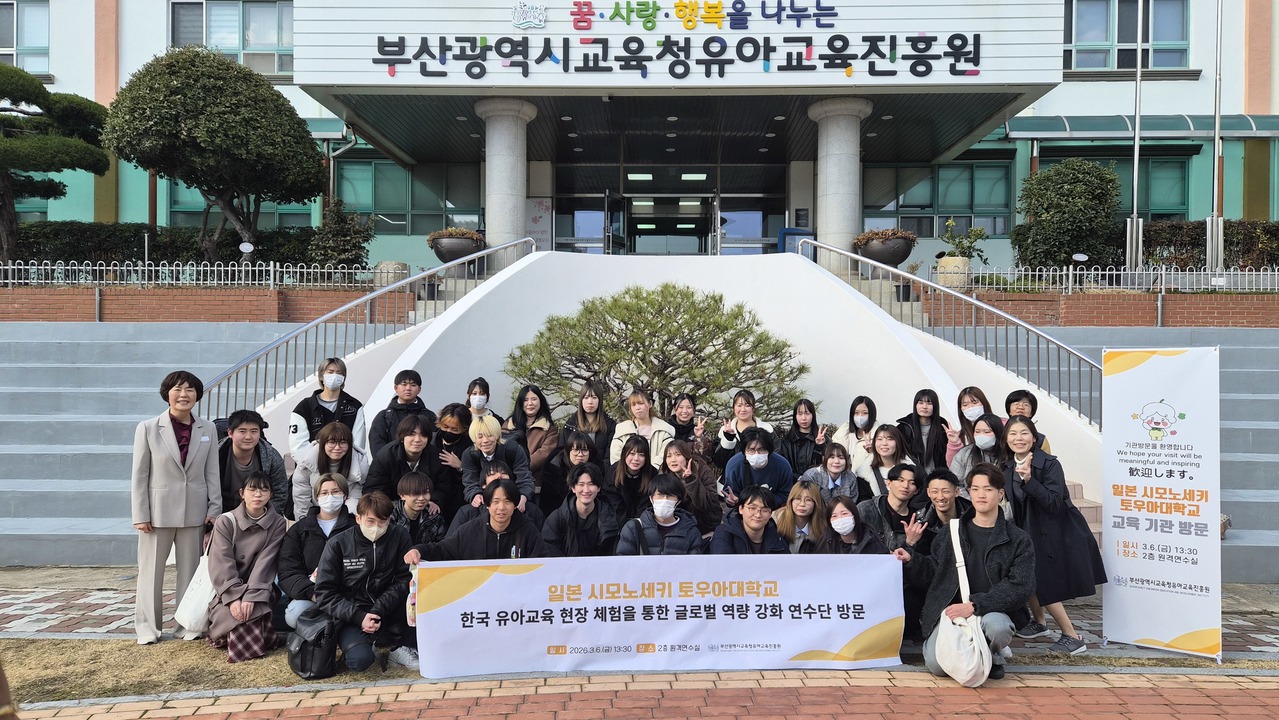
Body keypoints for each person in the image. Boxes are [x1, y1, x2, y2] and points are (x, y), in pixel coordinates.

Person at [893, 463, 1036, 682]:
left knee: (998, 627)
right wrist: (911, 560)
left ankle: (992, 654)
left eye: (988, 489)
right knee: (937, 666)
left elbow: (1020, 586)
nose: (981, 495)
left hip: (991, 611)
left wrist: (975, 605)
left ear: (1000, 494)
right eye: (975, 489)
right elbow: (934, 572)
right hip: (952, 611)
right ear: (969, 492)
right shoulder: (951, 531)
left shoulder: (1018, 539)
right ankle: (977, 654)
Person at [131, 370, 221, 645]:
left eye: (190, 390)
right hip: (156, 513)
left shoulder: (208, 428)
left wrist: (214, 508)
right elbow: (139, 475)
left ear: (197, 395)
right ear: (167, 394)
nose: (184, 395)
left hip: (195, 512)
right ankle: (148, 628)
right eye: (178, 389)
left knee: (191, 573)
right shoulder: (148, 428)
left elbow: (212, 471)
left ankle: (186, 624)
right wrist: (140, 514)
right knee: (150, 574)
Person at [1003, 416, 1105, 655]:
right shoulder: (1007, 466)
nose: (1019, 438)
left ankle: (1072, 636)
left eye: (1024, 433)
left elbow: (1054, 503)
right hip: (1028, 531)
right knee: (1029, 576)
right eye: (1013, 434)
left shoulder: (1049, 464)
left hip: (1057, 532)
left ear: (1034, 437)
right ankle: (1039, 622)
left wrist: (1029, 480)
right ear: (1006, 439)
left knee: (1043, 580)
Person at [314, 492, 417, 670]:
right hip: (352, 612)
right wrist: (359, 617)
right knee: (359, 661)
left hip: (389, 606)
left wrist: (379, 608)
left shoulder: (399, 536)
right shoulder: (338, 544)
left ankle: (399, 648)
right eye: (370, 521)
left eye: (382, 522)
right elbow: (325, 593)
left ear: (389, 519)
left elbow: (405, 579)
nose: (376, 527)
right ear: (358, 519)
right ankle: (368, 644)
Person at [205, 472, 286, 663]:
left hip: (260, 585)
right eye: (252, 489)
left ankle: (240, 644)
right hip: (227, 587)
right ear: (242, 493)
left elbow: (266, 562)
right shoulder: (226, 521)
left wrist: (251, 596)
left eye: (264, 490)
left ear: (271, 494)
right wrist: (234, 597)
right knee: (231, 612)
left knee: (253, 608)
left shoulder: (278, 523)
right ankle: (250, 641)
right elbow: (221, 562)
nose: (258, 494)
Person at [858, 462, 928, 641]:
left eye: (912, 483)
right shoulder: (866, 509)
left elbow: (919, 567)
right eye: (900, 480)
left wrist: (910, 544)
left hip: (902, 584)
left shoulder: (918, 521)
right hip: (867, 579)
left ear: (916, 491)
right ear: (888, 483)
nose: (905, 486)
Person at [405, 477, 550, 561]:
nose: (501, 507)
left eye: (507, 502)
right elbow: (443, 550)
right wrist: (418, 550)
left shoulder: (527, 529)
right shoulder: (471, 530)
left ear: (515, 504)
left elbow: (542, 562)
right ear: (487, 505)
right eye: (495, 502)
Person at [277, 473, 355, 629]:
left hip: (347, 595)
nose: (330, 497)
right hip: (312, 595)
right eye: (324, 493)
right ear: (317, 497)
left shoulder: (355, 527)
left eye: (335, 492)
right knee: (294, 614)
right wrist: (313, 593)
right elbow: (288, 571)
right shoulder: (299, 530)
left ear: (345, 495)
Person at [459, 415, 541, 526]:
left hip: (512, 496)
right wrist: (475, 494)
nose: (485, 441)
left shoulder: (514, 449)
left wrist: (523, 497)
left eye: (490, 435)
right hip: (487, 498)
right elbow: (469, 481)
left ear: (497, 435)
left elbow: (524, 477)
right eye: (480, 437)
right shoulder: (469, 455)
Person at [287, 357, 366, 459]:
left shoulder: (355, 406)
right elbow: (298, 446)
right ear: (321, 376)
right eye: (330, 372)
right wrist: (314, 464)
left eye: (339, 373)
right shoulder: (303, 408)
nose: (335, 376)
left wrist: (343, 463)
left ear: (343, 378)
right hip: (312, 465)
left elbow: (358, 443)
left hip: (346, 465)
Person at [217, 409, 288, 516]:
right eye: (242, 431)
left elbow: (280, 492)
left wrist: (264, 517)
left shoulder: (271, 457)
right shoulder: (216, 453)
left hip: (259, 514)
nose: (248, 437)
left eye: (254, 431)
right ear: (230, 433)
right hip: (221, 513)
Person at [614, 473, 705, 555]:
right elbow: (624, 561)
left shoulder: (691, 532)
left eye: (670, 496)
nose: (664, 500)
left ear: (678, 501)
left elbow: (694, 565)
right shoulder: (633, 528)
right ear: (651, 498)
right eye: (660, 495)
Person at [292, 421, 369, 518]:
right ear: (322, 443)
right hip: (315, 510)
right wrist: (306, 523)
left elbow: (356, 497)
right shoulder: (306, 462)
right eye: (332, 442)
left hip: (347, 510)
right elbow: (301, 498)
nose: (337, 448)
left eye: (343, 442)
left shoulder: (360, 463)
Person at [542, 463, 622, 557]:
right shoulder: (556, 519)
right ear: (573, 488)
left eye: (591, 484)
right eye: (581, 484)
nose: (586, 490)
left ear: (599, 488)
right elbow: (549, 552)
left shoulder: (611, 518)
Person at [502, 384, 560, 507]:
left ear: (540, 401)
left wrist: (521, 465)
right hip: (508, 483)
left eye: (534, 399)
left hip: (535, 484)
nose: (530, 403)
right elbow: (501, 447)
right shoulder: (508, 424)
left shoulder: (549, 428)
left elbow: (545, 453)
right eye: (526, 400)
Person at [364, 415, 440, 502]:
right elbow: (373, 490)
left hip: (426, 504)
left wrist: (432, 501)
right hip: (392, 505)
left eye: (423, 435)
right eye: (411, 434)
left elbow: (443, 488)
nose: (417, 439)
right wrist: (396, 506)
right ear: (402, 437)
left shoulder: (436, 456)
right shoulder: (385, 456)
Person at [369, 369, 438, 458]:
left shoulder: (429, 416)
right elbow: (377, 445)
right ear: (396, 388)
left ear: (419, 389)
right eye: (404, 384)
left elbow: (435, 443)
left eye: (413, 385)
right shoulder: (384, 416)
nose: (408, 388)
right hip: (391, 464)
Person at [660, 440, 723, 535]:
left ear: (687, 457)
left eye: (678, 455)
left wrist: (690, 480)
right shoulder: (664, 474)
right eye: (669, 456)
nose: (673, 460)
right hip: (677, 526)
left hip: (705, 525)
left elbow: (708, 504)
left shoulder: (703, 470)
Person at [722, 426, 794, 508]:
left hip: (772, 508)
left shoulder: (782, 465)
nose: (756, 454)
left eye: (761, 449)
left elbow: (786, 493)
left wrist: (764, 503)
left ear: (769, 450)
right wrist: (732, 500)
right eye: (751, 450)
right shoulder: (734, 465)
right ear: (744, 451)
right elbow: (730, 492)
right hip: (743, 508)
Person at [709, 485, 789, 554]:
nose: (758, 515)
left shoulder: (776, 536)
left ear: (770, 513)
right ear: (741, 509)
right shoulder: (724, 532)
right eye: (752, 508)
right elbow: (722, 563)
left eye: (764, 510)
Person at [427, 402, 472, 525]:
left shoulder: (470, 447)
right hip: (435, 498)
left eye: (455, 429)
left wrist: (460, 466)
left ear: (464, 429)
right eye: (445, 427)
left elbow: (475, 476)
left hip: (458, 500)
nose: (449, 431)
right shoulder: (431, 440)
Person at [542, 431, 606, 517]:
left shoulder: (597, 470)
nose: (580, 454)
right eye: (576, 450)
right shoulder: (553, 470)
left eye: (584, 450)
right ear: (568, 451)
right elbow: (548, 506)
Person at [609, 389, 675, 467]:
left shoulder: (664, 429)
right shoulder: (623, 429)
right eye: (633, 405)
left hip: (656, 472)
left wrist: (652, 470)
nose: (637, 408)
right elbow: (616, 456)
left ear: (650, 404)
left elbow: (664, 454)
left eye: (640, 403)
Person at [916, 468, 973, 555]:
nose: (940, 497)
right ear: (928, 492)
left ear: (957, 492)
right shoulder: (920, 521)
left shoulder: (973, 516)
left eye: (945, 491)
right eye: (935, 491)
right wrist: (911, 543)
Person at [557, 379, 616, 464]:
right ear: (581, 400)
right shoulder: (570, 425)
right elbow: (562, 453)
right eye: (586, 397)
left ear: (600, 400)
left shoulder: (610, 425)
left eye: (594, 397)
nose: (590, 402)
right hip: (574, 470)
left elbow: (610, 456)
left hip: (601, 470)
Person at [713, 389, 774, 469]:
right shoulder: (724, 430)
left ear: (753, 408)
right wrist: (728, 439)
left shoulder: (767, 429)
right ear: (734, 408)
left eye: (747, 405)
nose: (743, 409)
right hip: (733, 475)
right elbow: (719, 463)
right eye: (739, 405)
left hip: (761, 475)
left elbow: (775, 456)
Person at [896, 388, 952, 475]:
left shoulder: (943, 427)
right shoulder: (904, 428)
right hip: (913, 477)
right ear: (915, 405)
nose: (924, 406)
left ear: (935, 406)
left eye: (929, 403)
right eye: (921, 403)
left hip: (937, 477)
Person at [853, 424, 915, 499]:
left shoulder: (912, 467)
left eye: (890, 439)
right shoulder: (864, 473)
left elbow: (921, 497)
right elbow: (863, 501)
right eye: (880, 439)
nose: (884, 443)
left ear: (898, 442)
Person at [800, 442, 872, 505]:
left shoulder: (850, 478)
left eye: (841, 458)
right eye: (832, 457)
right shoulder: (812, 476)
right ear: (824, 459)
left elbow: (851, 504)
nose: (837, 461)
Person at [949, 414, 1005, 494]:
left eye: (987, 432)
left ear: (998, 433)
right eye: (977, 432)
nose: (981, 435)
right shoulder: (964, 454)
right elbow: (954, 484)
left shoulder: (1008, 454)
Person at [608, 435, 658, 522]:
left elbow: (646, 504)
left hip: (643, 520)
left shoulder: (652, 474)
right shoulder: (613, 472)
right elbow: (613, 502)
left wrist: (637, 523)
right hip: (616, 520)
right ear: (624, 454)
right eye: (632, 453)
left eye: (641, 455)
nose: (636, 459)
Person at [815, 497, 889, 555]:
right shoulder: (826, 543)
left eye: (844, 513)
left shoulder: (871, 541)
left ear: (854, 515)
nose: (840, 519)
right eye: (834, 516)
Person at [390, 471, 447, 546]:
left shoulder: (434, 517)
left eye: (426, 492)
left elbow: (441, 546)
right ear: (402, 495)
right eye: (415, 493)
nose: (421, 498)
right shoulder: (390, 514)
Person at [773, 480, 829, 553]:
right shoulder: (775, 520)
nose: (802, 504)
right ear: (791, 501)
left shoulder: (823, 525)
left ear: (815, 503)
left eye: (808, 500)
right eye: (798, 499)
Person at [778, 398, 826, 479]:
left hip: (816, 483)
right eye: (800, 414)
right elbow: (782, 466)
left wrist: (820, 446)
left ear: (813, 415)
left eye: (807, 413)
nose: (803, 418)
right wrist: (798, 478)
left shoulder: (823, 439)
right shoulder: (786, 441)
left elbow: (824, 467)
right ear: (795, 416)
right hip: (792, 484)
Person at [831, 395, 877, 475]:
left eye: (865, 413)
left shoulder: (878, 436)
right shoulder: (845, 433)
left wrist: (872, 452)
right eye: (856, 413)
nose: (860, 416)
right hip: (845, 479)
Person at [951, 386, 998, 467]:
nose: (970, 407)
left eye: (975, 403)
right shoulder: (960, 436)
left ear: (984, 403)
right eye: (965, 405)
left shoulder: (1001, 424)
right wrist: (954, 444)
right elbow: (954, 465)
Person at [666, 392, 714, 462]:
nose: (685, 411)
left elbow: (706, 460)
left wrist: (699, 439)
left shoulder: (701, 431)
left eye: (689, 407)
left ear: (694, 409)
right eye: (681, 407)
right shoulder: (665, 429)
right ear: (674, 409)